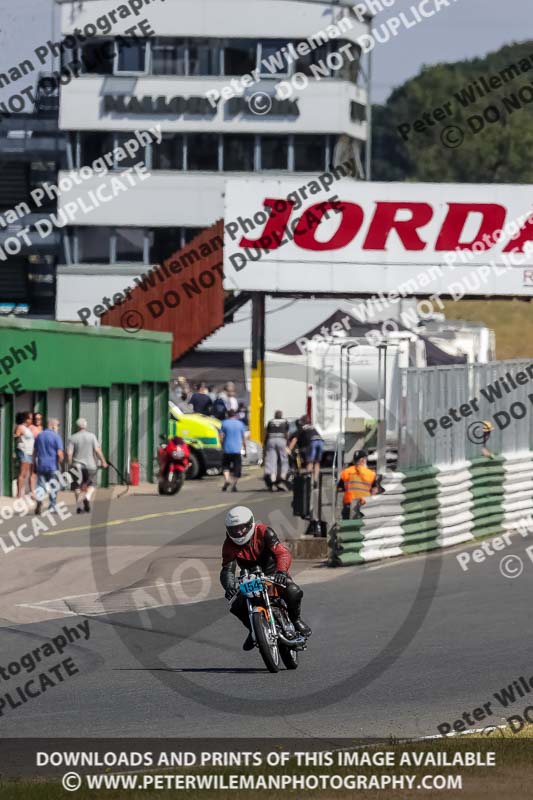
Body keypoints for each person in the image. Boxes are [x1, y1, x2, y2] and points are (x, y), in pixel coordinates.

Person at [220, 506, 312, 650]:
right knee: (236, 605)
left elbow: (282, 553)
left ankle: (296, 620)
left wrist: (281, 572)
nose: (238, 532)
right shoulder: (229, 545)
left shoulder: (264, 532)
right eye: (234, 529)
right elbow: (227, 570)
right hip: (249, 578)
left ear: (250, 524)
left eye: (242, 528)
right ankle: (253, 629)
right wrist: (229, 587)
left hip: (274, 573)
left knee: (293, 591)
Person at [67, 418, 108, 513]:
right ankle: (87, 496)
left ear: (77, 426)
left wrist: (69, 465)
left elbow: (69, 454)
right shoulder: (92, 436)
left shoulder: (72, 438)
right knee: (92, 484)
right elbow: (97, 450)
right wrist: (103, 461)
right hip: (91, 466)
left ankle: (79, 507)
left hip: (77, 466)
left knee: (77, 486)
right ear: (85, 426)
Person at [33, 418, 64, 515]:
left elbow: (34, 452)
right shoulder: (56, 437)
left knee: (40, 485)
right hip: (52, 465)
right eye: (58, 426)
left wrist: (34, 463)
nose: (58, 428)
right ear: (53, 426)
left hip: (41, 464)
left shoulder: (39, 436)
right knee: (53, 486)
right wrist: (60, 462)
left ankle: (39, 499)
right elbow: (59, 453)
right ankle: (52, 506)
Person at [337, 450, 378, 520]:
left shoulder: (346, 472)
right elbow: (374, 490)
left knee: (347, 526)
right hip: (364, 504)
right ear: (363, 460)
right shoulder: (370, 473)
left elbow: (339, 488)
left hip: (348, 504)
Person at [289, 415, 324, 486]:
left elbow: (295, 439)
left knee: (310, 462)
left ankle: (308, 480)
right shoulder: (312, 427)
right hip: (320, 441)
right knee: (317, 462)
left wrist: (289, 449)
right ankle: (315, 480)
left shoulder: (302, 427)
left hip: (312, 442)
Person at [220, 409, 247, 492]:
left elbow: (221, 436)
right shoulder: (240, 424)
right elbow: (243, 438)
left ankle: (227, 479)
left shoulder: (224, 423)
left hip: (227, 449)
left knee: (226, 466)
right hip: (236, 450)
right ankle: (234, 485)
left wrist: (222, 445)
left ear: (228, 415)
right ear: (235, 415)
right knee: (237, 468)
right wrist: (245, 449)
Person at [263, 410, 289, 491]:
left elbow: (267, 433)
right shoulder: (285, 422)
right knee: (283, 459)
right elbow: (287, 433)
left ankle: (272, 480)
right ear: (281, 415)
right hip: (281, 439)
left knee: (271, 461)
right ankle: (282, 477)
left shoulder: (270, 422)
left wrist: (265, 444)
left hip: (271, 439)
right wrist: (287, 444)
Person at [14, 411, 34, 498]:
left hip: (29, 452)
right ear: (25, 419)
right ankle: (19, 493)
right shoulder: (20, 427)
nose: (31, 420)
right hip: (23, 451)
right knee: (22, 473)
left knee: (26, 473)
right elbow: (15, 436)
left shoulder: (28, 428)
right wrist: (17, 435)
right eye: (30, 418)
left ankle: (22, 491)